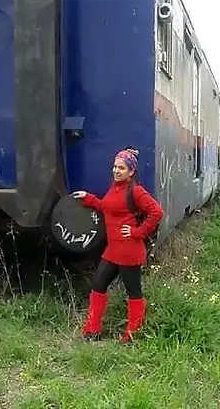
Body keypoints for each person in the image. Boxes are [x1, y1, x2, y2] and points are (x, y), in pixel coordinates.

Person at [72, 147, 164, 343]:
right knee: (98, 285)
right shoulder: (114, 188)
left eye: (121, 168)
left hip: (129, 251)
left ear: (131, 172)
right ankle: (92, 329)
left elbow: (156, 212)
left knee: (133, 292)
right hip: (113, 250)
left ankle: (132, 334)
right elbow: (107, 207)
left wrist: (137, 232)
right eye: (114, 167)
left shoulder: (136, 191)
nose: (116, 171)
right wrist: (88, 198)